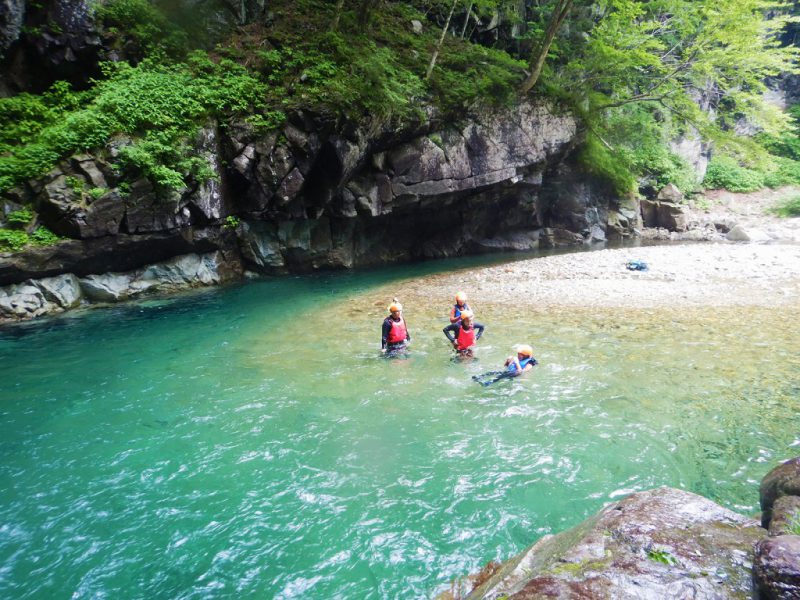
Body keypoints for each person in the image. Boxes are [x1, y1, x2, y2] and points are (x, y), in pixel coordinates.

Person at [472, 344, 537, 386]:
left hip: (515, 375)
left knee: (500, 376)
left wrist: (516, 362)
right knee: (493, 372)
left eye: (520, 355)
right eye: (518, 354)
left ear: (526, 356)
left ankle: (487, 383)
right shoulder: (518, 359)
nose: (518, 356)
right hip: (510, 371)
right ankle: (479, 377)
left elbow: (521, 372)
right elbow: (506, 367)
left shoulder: (530, 363)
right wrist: (508, 362)